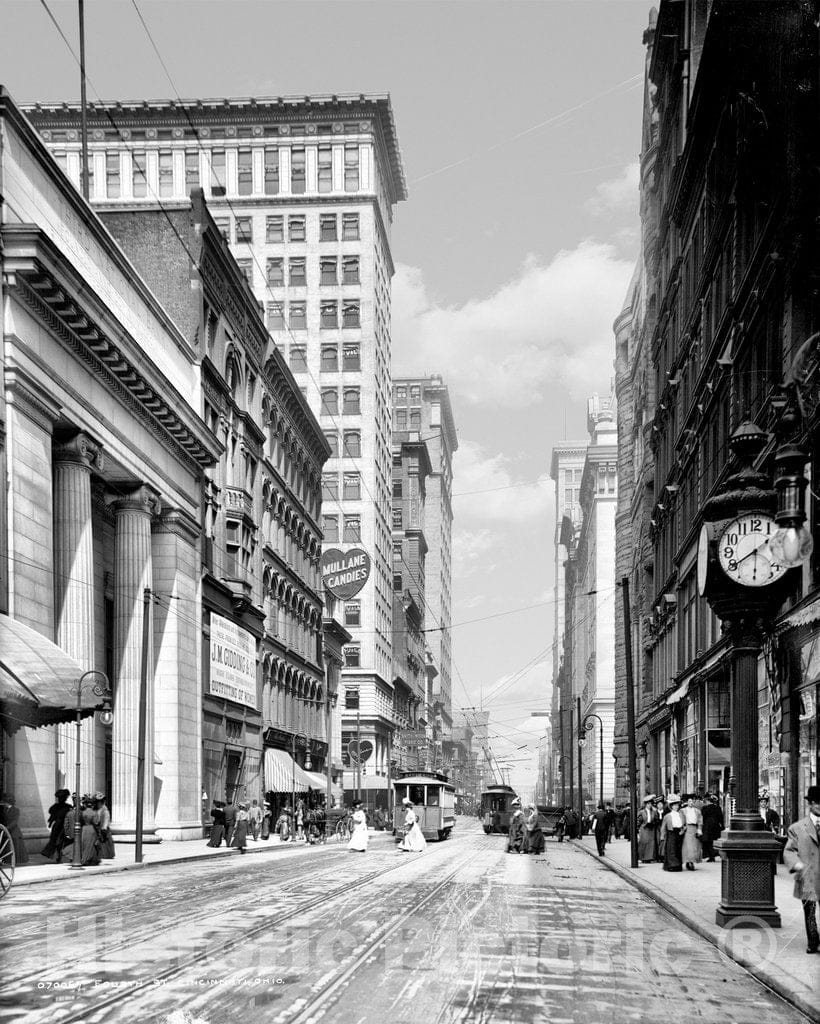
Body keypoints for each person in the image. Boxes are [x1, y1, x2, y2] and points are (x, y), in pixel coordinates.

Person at [784, 784, 820, 955]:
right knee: (810, 912)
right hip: (808, 876)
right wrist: (796, 864)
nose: (819, 806)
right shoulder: (797, 828)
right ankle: (813, 941)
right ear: (810, 804)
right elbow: (789, 850)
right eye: (817, 803)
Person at [42, 789, 72, 861]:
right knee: (56, 841)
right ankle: (58, 855)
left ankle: (61, 855)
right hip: (58, 826)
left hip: (63, 826)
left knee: (62, 841)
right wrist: (51, 822)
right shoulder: (56, 807)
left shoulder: (67, 807)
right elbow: (52, 816)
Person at [660, 794, 685, 872]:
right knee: (671, 849)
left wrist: (682, 830)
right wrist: (662, 836)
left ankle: (678, 865)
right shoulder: (667, 816)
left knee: (678, 849)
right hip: (671, 832)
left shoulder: (681, 815)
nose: (676, 807)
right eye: (674, 805)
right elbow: (663, 826)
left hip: (679, 832)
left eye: (677, 805)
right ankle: (672, 865)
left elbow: (684, 824)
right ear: (671, 806)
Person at [2, 794, 28, 865]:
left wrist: (7, 828)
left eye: (5, 802)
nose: (4, 804)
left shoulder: (16, 810)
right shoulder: (4, 810)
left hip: (13, 830)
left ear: (8, 802)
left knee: (14, 843)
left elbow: (15, 821)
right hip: (5, 830)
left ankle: (14, 860)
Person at [681, 794, 703, 870]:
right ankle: (688, 862)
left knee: (695, 847)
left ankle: (692, 861)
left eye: (692, 801)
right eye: (690, 801)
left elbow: (700, 821)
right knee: (688, 847)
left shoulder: (697, 811)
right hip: (687, 829)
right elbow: (681, 820)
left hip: (695, 829)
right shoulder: (683, 810)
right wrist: (683, 828)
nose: (691, 802)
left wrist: (699, 829)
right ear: (687, 802)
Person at [700, 794, 723, 862]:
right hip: (715, 826)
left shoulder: (705, 808)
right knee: (714, 841)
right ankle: (715, 854)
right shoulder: (718, 808)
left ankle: (711, 856)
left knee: (708, 842)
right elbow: (721, 818)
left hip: (707, 827)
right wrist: (722, 825)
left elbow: (702, 817)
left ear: (707, 801)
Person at [637, 795, 659, 863]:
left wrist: (653, 823)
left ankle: (649, 858)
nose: (649, 805)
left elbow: (656, 819)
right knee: (644, 842)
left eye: (650, 804)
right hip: (644, 829)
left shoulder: (654, 811)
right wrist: (638, 829)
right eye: (648, 804)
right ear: (645, 804)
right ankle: (643, 858)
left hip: (651, 829)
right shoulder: (641, 812)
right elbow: (638, 821)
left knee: (651, 844)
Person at [93, 792, 115, 859]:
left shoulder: (104, 810)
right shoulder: (96, 809)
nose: (98, 803)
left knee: (104, 842)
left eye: (99, 801)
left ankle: (105, 854)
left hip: (102, 829)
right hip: (97, 828)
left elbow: (106, 819)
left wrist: (104, 827)